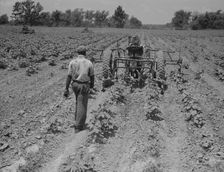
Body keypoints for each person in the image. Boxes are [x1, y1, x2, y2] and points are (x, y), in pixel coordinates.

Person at [64, 45, 94, 133]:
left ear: (77, 53)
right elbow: (92, 75)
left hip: (75, 85)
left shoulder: (73, 62)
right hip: (83, 85)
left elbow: (69, 76)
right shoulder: (89, 63)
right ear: (85, 53)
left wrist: (66, 88)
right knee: (83, 104)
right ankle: (79, 126)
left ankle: (77, 120)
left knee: (78, 102)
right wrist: (91, 85)